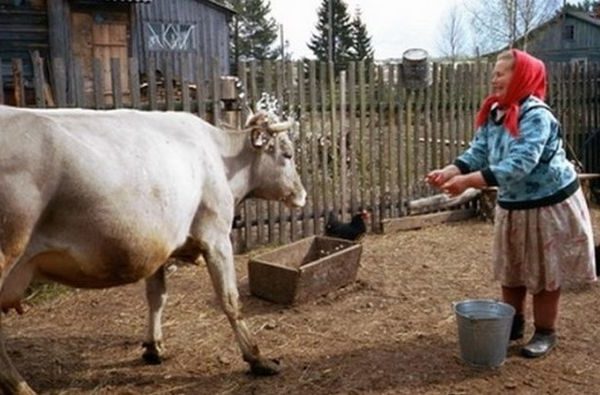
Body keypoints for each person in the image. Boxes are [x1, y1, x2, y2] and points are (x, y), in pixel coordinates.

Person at [426, 49, 596, 358]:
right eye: (494, 73)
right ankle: (513, 324)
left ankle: (546, 332)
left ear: (522, 78)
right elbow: (478, 151)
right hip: (514, 203)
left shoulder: (537, 115)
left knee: (545, 273)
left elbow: (520, 164)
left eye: (502, 73)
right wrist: (451, 170)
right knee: (512, 269)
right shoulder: (495, 113)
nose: (494, 78)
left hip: (548, 204)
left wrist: (469, 181)